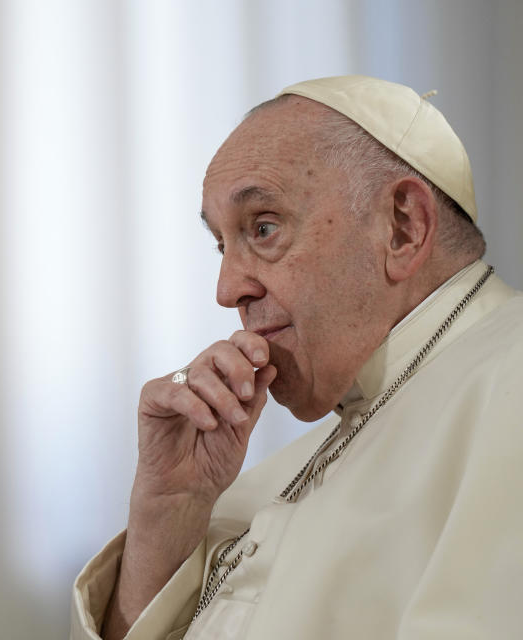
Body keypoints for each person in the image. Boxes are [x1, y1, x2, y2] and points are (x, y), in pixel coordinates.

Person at [70, 75, 523, 640]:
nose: (227, 287)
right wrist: (166, 519)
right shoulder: (272, 474)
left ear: (403, 227)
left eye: (263, 227)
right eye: (220, 243)